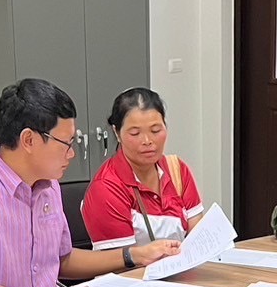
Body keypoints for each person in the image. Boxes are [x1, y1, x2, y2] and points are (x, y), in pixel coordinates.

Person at [0, 79, 182, 287]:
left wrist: (134, 255)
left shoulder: (48, 183)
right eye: (66, 143)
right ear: (29, 140)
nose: (72, 154)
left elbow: (62, 259)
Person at [81, 88, 205, 252]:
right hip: (133, 269)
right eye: (135, 133)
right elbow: (120, 260)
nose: (147, 141)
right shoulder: (106, 187)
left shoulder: (177, 170)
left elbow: (198, 238)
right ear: (117, 133)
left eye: (155, 130)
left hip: (183, 266)